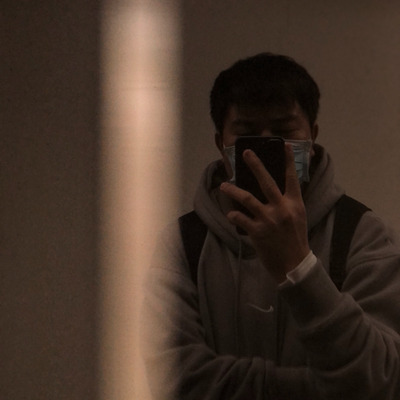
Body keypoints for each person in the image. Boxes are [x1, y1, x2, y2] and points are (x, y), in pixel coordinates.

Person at [141, 53, 400, 399]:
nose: (266, 145)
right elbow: (174, 381)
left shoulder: (361, 235)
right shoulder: (181, 244)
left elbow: (381, 379)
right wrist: (321, 389)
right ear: (220, 143)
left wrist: (299, 267)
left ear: (312, 137)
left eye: (283, 132)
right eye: (247, 133)